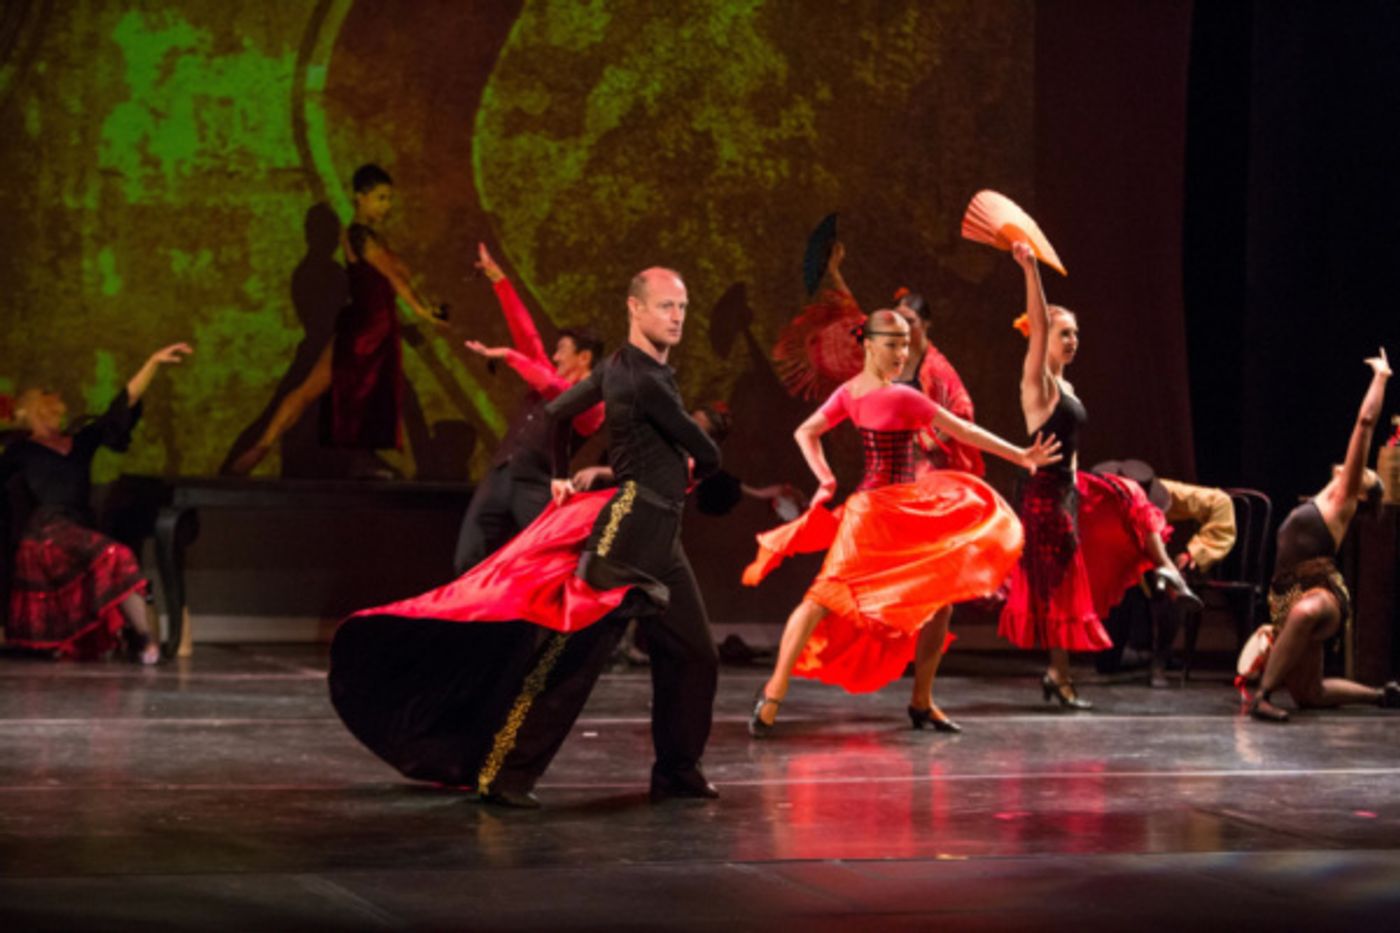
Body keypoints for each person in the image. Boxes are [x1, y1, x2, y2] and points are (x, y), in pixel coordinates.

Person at [329, 267, 721, 809]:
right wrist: (686, 466)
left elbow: (559, 414)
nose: (677, 318)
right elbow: (707, 451)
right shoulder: (641, 377)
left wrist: (566, 474)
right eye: (665, 307)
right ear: (634, 308)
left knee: (694, 653)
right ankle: (506, 772)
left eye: (682, 307)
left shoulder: (621, 369)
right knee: (569, 660)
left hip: (661, 534)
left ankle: (678, 771)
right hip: (628, 533)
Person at [745, 309, 1061, 736]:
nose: (900, 353)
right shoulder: (893, 396)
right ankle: (776, 691)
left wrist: (826, 478)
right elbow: (962, 431)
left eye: (906, 345)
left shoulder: (860, 393)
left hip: (898, 510)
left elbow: (808, 433)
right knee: (822, 598)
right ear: (868, 344)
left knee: (935, 602)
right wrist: (1020, 455)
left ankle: (918, 702)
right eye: (892, 344)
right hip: (877, 514)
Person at [996, 243, 1199, 709]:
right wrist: (1030, 270)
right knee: (1063, 584)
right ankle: (1059, 674)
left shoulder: (1066, 385)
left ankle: (1166, 571)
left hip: (1069, 488)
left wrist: (1078, 486)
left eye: (1075, 334)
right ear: (1044, 338)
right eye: (1063, 334)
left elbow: (1071, 446)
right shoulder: (1038, 383)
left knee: (1127, 496)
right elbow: (1038, 324)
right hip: (1045, 497)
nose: (1072, 341)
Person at [228, 164, 443, 476]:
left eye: (389, 199)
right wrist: (422, 311)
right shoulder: (358, 236)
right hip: (365, 329)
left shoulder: (366, 238)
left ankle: (264, 445)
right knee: (363, 393)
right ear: (360, 197)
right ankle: (269, 447)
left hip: (370, 326)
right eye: (380, 198)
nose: (386, 206)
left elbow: (393, 278)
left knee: (322, 393)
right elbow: (395, 278)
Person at [1, 343, 192, 662]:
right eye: (46, 401)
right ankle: (147, 643)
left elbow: (121, 407)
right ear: (30, 409)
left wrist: (152, 363)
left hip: (78, 527)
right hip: (46, 533)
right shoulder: (21, 451)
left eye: (57, 403)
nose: (56, 406)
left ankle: (146, 643)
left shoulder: (80, 442)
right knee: (117, 554)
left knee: (117, 560)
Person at [1249, 348, 1400, 722]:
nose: (1356, 470)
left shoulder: (1343, 498)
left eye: (1363, 474)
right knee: (1309, 694)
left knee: (1306, 612)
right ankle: (1382, 696)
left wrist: (1381, 377)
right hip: (1286, 596)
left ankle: (1262, 696)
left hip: (1323, 592)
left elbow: (1365, 423)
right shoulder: (1323, 497)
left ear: (1361, 494)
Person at [454, 242, 604, 573]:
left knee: (543, 565)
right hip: (501, 475)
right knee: (468, 559)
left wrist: (510, 356)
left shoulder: (593, 401)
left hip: (536, 486)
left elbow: (557, 391)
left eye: (562, 351)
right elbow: (528, 337)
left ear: (584, 358)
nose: (555, 357)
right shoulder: (547, 375)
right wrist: (499, 280)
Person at [1092, 461, 1237, 685]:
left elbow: (1220, 502)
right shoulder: (1095, 498)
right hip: (1115, 564)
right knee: (1105, 663)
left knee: (1169, 580)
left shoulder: (1163, 492)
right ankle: (1132, 651)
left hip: (1155, 560)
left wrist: (1195, 553)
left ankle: (1160, 659)